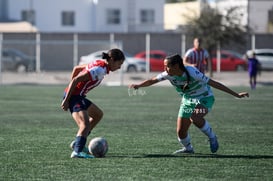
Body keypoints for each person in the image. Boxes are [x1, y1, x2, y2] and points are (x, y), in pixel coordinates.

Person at [129, 54, 249, 154]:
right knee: (181, 132)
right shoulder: (168, 75)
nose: (165, 69)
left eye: (167, 66)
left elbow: (214, 83)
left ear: (176, 66)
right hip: (188, 100)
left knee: (195, 117)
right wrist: (138, 85)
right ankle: (188, 149)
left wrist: (236, 94)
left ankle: (212, 137)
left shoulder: (192, 72)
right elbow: (152, 80)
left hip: (205, 98)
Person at [61, 48, 125, 158]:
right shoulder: (99, 70)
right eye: (120, 63)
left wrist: (72, 88)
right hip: (74, 97)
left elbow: (76, 69)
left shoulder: (100, 64)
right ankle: (77, 152)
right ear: (112, 60)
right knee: (84, 125)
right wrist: (67, 99)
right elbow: (76, 80)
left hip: (78, 96)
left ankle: (78, 143)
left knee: (98, 114)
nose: (119, 67)